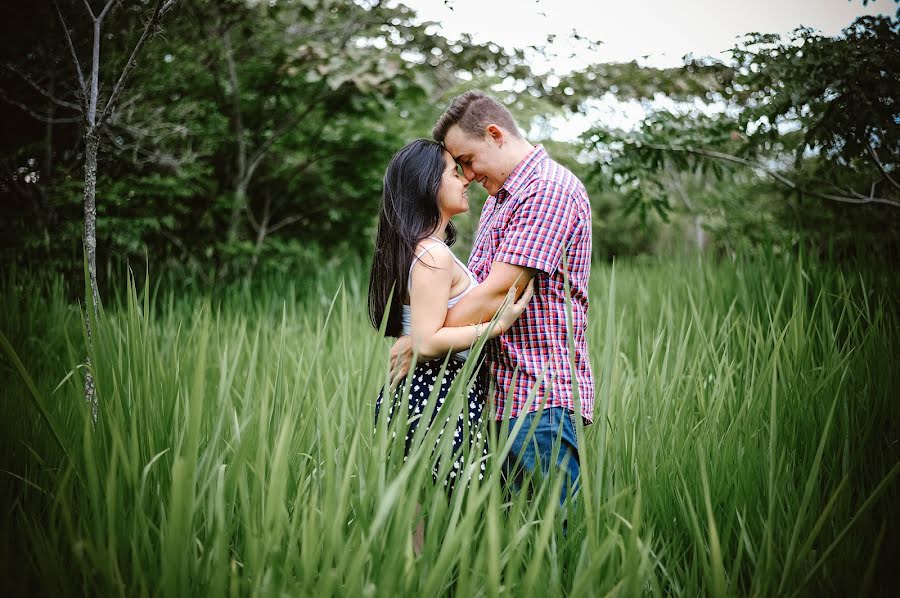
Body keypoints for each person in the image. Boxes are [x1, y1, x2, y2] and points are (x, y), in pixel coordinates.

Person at [389, 91, 595, 507]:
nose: (466, 174)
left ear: (495, 134)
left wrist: (423, 339)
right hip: (496, 397)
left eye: (466, 160)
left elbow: (500, 291)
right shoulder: (503, 200)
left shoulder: (546, 191)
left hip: (537, 398)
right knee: (507, 548)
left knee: (550, 542)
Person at [367, 139, 534, 495]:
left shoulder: (416, 249)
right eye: (454, 172)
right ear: (429, 184)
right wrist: (495, 327)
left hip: (420, 392)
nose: (465, 180)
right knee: (446, 521)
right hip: (437, 392)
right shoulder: (433, 255)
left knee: (415, 530)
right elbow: (426, 341)